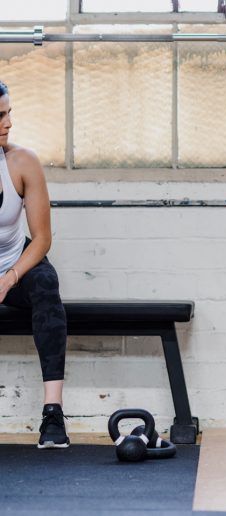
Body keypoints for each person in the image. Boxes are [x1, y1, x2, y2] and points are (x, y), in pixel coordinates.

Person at [0, 80, 69, 449]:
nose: (8, 122)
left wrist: (10, 278)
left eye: (9, 113)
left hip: (17, 264)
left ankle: (53, 413)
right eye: (0, 116)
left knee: (46, 284)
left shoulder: (22, 162)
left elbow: (42, 238)